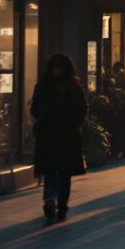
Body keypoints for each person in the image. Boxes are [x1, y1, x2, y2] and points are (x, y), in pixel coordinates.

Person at [30, 53, 88, 223]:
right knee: (61, 171)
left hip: (53, 133)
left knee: (55, 170)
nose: (57, 70)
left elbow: (34, 109)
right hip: (63, 134)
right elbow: (82, 109)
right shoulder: (72, 85)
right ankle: (57, 204)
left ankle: (54, 201)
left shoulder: (44, 85)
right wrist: (72, 122)